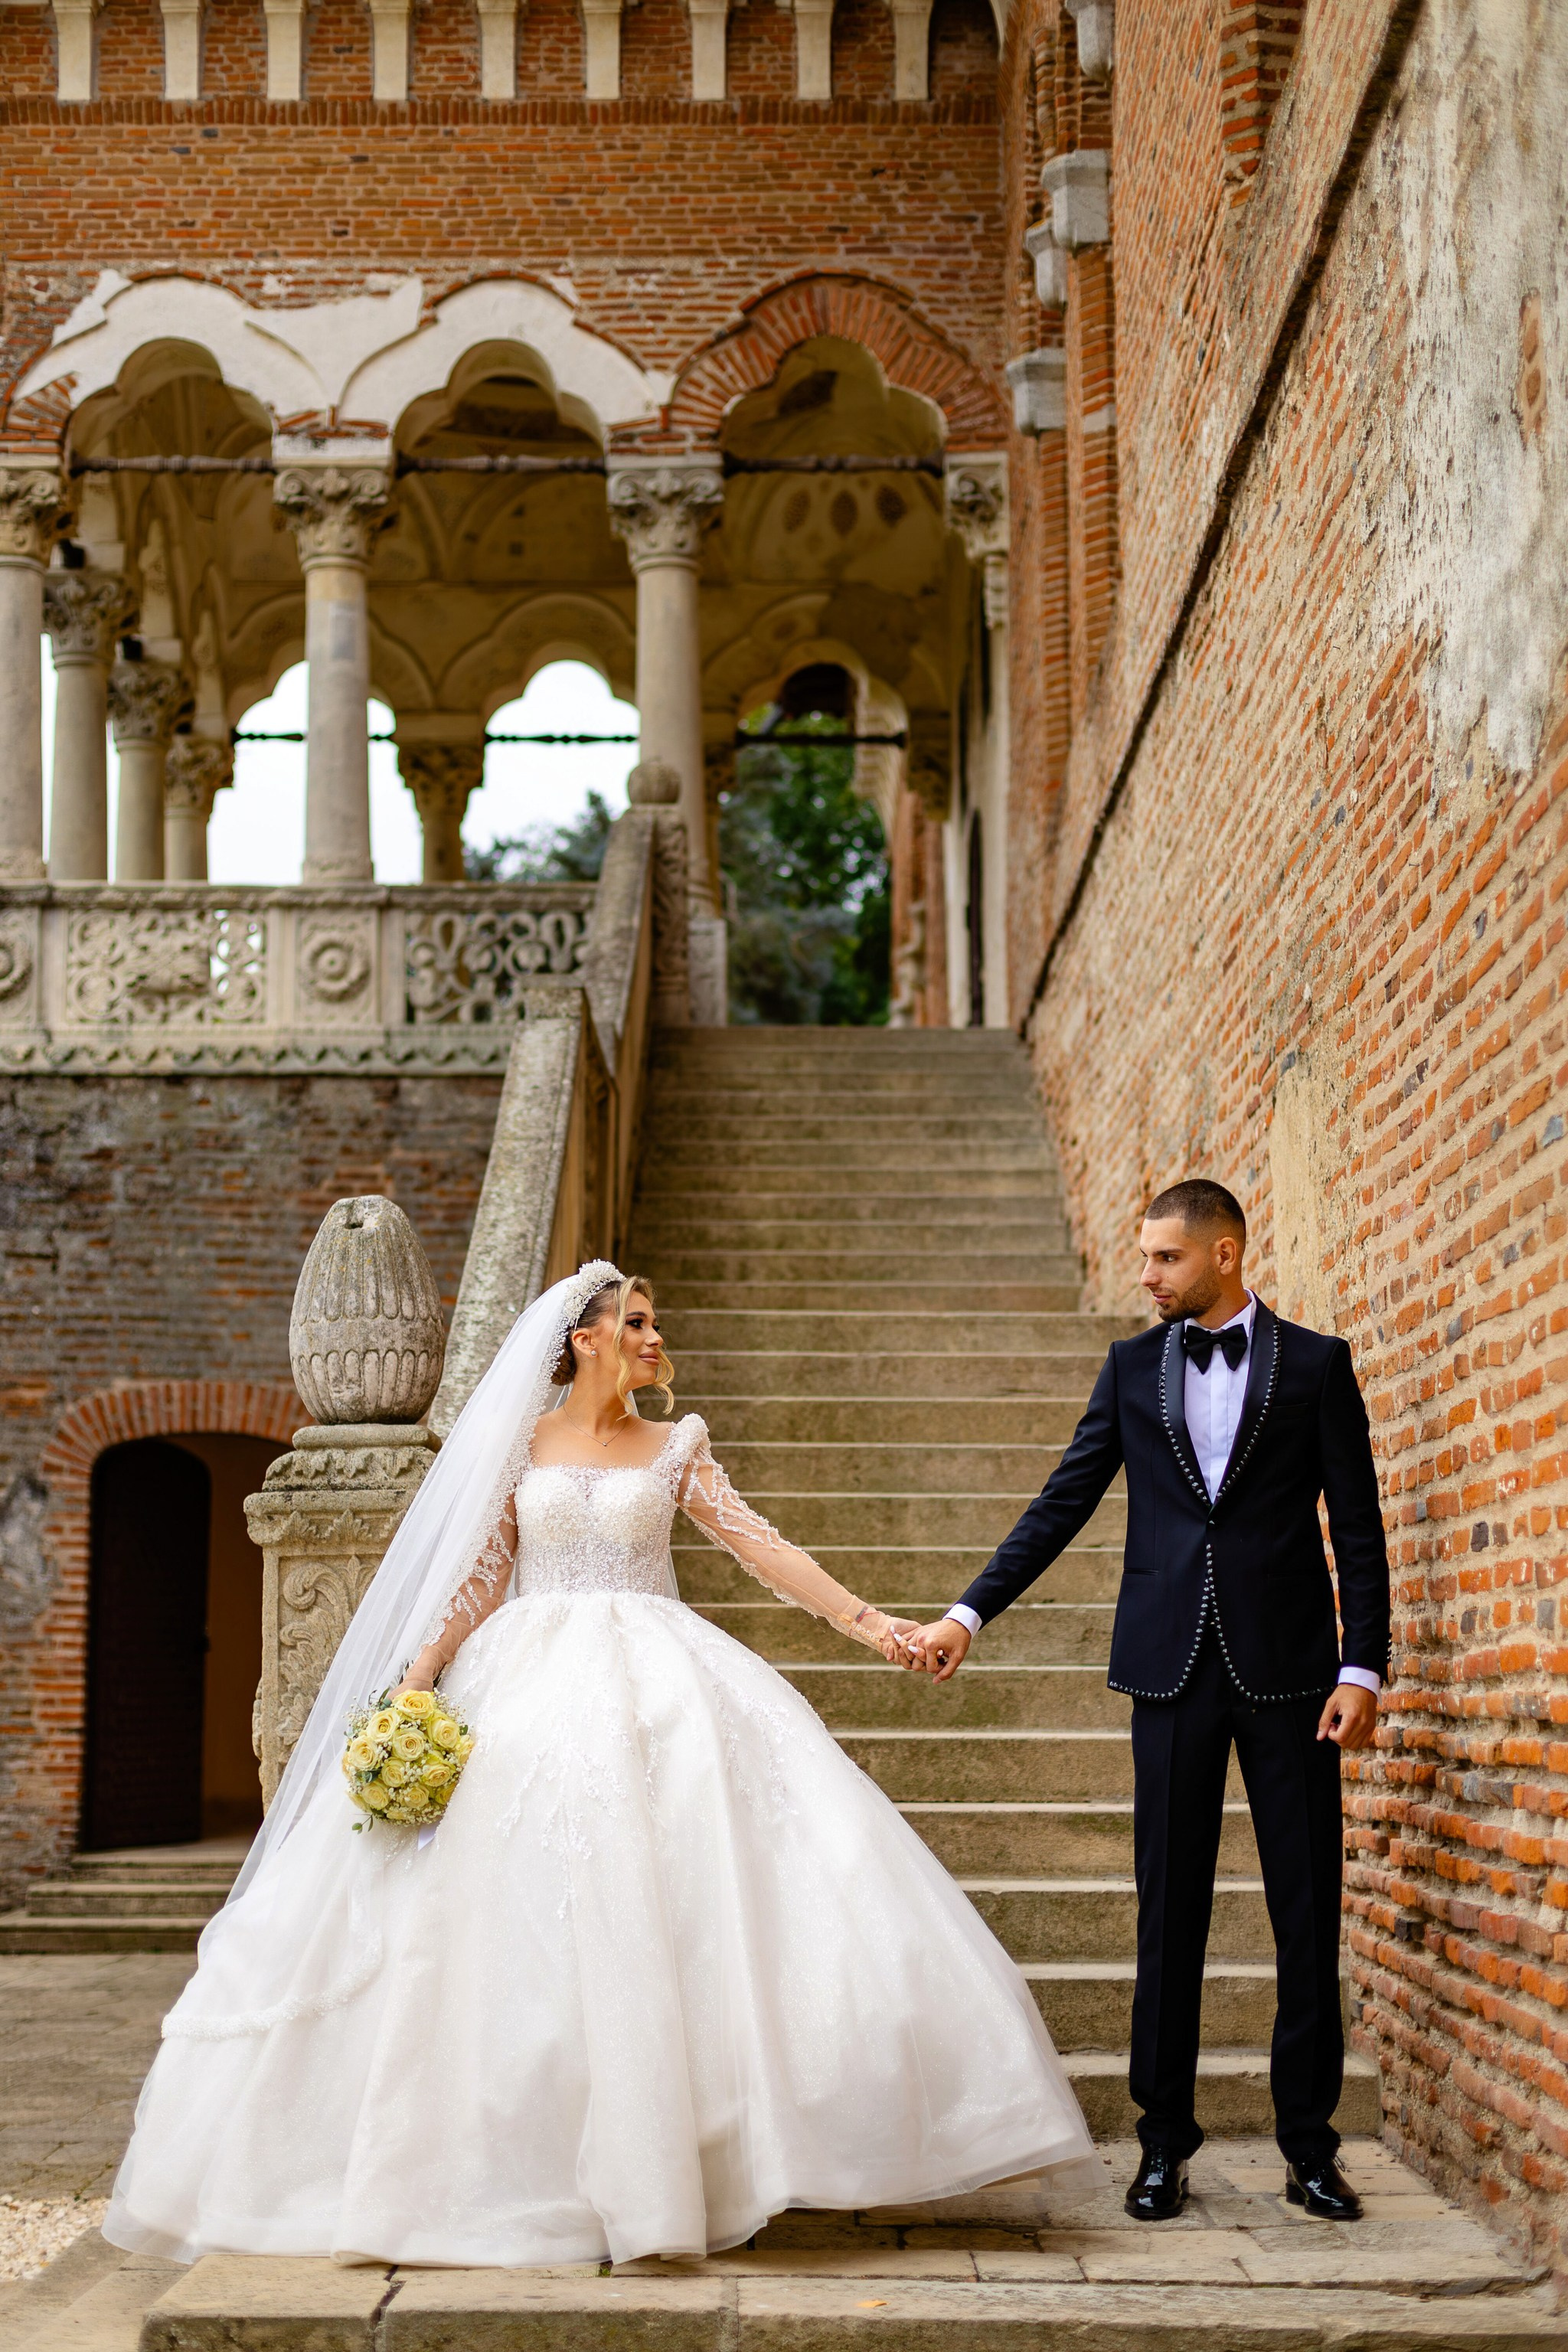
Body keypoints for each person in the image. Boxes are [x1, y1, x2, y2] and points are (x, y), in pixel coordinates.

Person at [106, 1262, 1101, 2269]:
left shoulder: (678, 1447)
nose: (653, 1335)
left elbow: (765, 1549)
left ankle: (696, 2155)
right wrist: (416, 1680)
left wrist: (875, 1625)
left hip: (661, 1680)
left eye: (653, 1320)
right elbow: (483, 1576)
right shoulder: (520, 1446)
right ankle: (496, 2160)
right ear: (584, 1339)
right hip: (522, 1686)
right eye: (636, 1320)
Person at [906, 1181, 1390, 2224]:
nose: (1147, 1275)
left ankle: (1311, 2149)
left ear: (1224, 1253)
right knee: (1169, 1913)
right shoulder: (1132, 1368)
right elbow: (1063, 1500)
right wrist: (968, 1614)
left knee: (1309, 1915)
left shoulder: (1315, 1364)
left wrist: (1365, 1668)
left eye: (1165, 1258)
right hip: (1169, 1671)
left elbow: (1357, 1524)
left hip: (1298, 1677)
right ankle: (1162, 2145)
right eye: (1144, 1257)